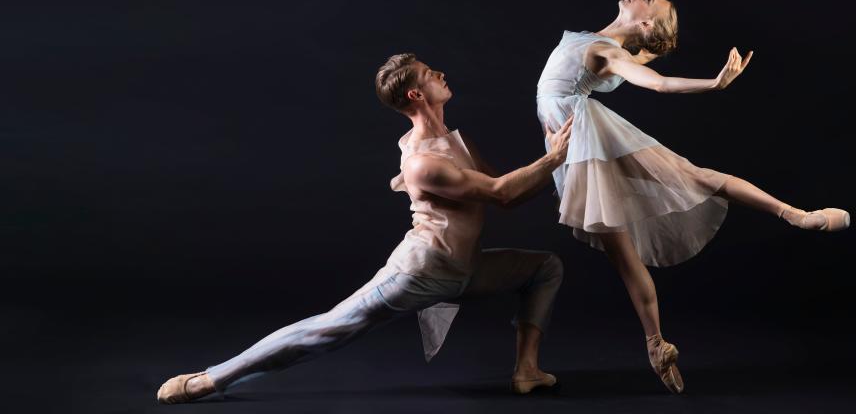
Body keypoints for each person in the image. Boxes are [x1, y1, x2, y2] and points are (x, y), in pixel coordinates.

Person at [156, 53, 574, 404]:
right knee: (325, 330)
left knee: (545, 268)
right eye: (431, 74)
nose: (441, 75)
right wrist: (553, 159)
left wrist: (558, 161)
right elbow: (501, 192)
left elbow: (508, 196)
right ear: (416, 93)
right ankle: (210, 379)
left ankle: (527, 370)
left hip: (466, 269)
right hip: (421, 272)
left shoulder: (453, 141)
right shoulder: (420, 162)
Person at [535, 0, 851, 394]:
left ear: (645, 22)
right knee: (623, 252)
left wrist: (714, 85)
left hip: (586, 136)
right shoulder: (610, 46)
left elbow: (660, 84)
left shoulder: (604, 52)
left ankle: (796, 215)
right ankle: (655, 345)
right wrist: (656, 46)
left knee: (693, 179)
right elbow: (647, 61)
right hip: (573, 141)